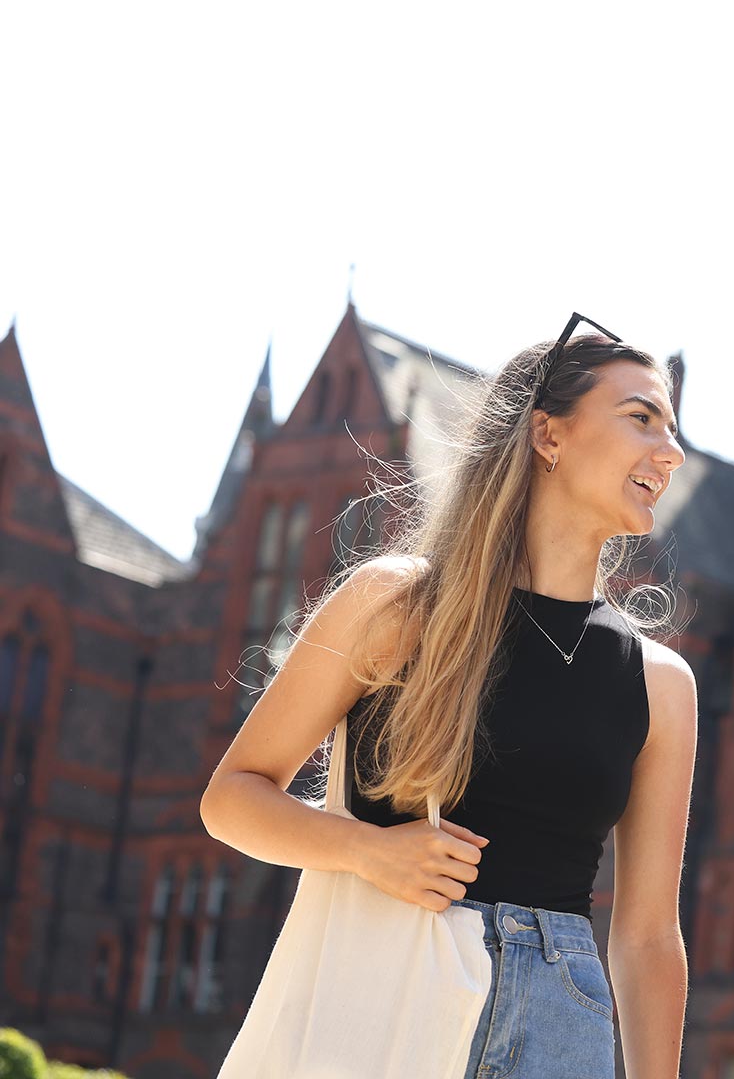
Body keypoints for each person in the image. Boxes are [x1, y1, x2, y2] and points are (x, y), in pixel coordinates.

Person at [201, 315, 697, 1078]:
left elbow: (649, 936)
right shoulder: (393, 606)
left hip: (563, 1014)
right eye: (641, 418)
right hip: (378, 989)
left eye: (673, 428)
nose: (670, 452)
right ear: (548, 436)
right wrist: (368, 852)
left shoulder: (661, 683)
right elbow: (231, 799)